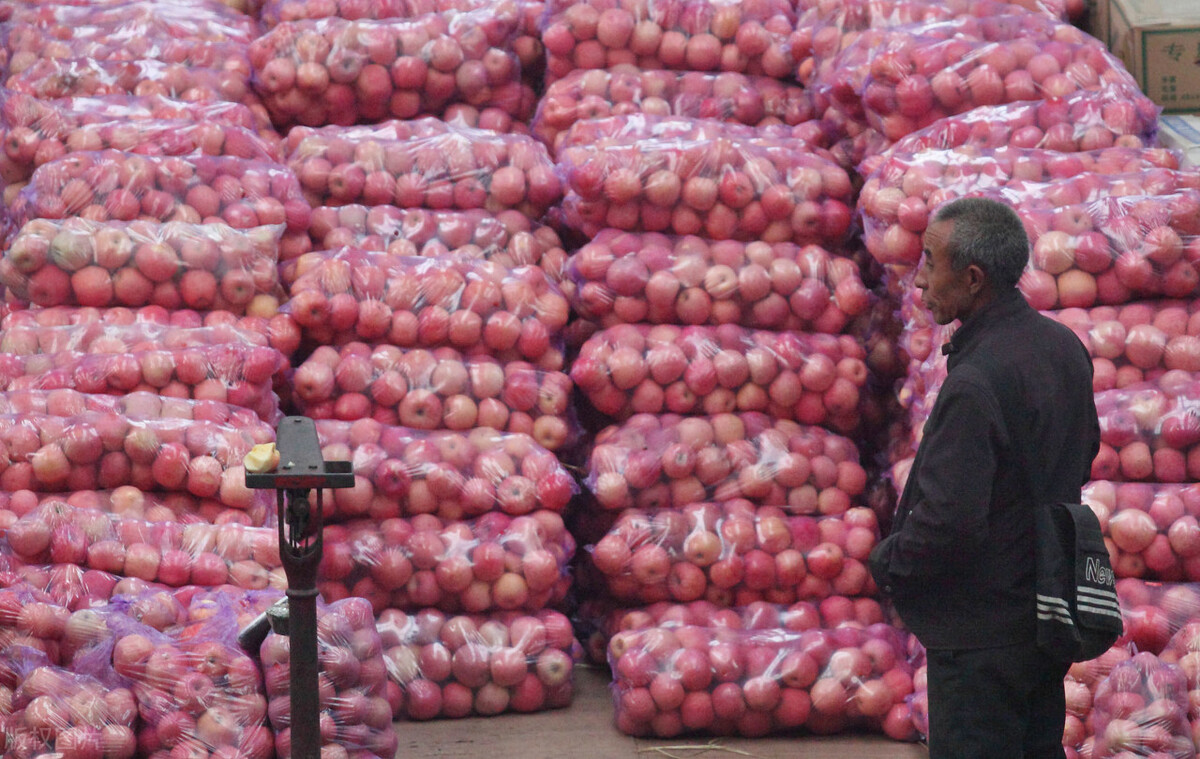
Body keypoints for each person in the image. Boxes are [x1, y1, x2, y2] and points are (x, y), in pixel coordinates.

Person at [868, 197, 1100, 758]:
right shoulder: (1063, 347)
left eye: (931, 262)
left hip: (980, 633)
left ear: (973, 279)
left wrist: (890, 565)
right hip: (1046, 611)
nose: (919, 279)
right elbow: (1084, 452)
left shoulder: (976, 380)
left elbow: (949, 520)